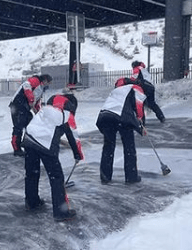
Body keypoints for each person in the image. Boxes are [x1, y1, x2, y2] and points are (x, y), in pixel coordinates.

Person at [21, 93, 84, 222]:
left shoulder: (45, 110)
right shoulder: (66, 115)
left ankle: (32, 203)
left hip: (28, 139)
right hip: (45, 144)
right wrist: (78, 155)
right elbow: (73, 137)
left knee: (32, 173)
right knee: (56, 177)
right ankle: (61, 212)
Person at [96, 77, 147, 184]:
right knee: (129, 148)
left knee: (108, 147)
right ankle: (131, 177)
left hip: (104, 117)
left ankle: (105, 176)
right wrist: (141, 125)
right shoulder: (134, 88)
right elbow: (138, 106)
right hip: (122, 118)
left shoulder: (115, 91)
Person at [9, 74, 53, 157]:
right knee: (18, 127)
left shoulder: (40, 89)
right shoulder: (35, 80)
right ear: (45, 80)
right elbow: (27, 87)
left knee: (31, 125)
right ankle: (17, 149)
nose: (48, 85)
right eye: (48, 82)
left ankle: (26, 143)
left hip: (25, 108)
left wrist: (39, 113)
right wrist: (31, 100)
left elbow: (36, 102)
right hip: (17, 106)